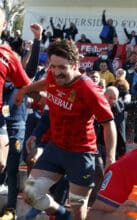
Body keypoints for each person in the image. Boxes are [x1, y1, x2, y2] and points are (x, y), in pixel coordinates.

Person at [14, 40, 117, 220]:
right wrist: (24, 91)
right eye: (53, 66)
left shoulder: (88, 89)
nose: (56, 72)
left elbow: (109, 123)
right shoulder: (53, 76)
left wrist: (110, 158)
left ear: (75, 64)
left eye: (62, 67)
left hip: (81, 154)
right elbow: (44, 83)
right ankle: (63, 215)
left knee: (78, 208)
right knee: (31, 193)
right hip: (56, 148)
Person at [0, 9, 31, 175]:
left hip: (2, 118)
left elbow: (26, 84)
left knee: (1, 162)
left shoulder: (7, 55)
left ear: (3, 25)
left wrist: (51, 97)